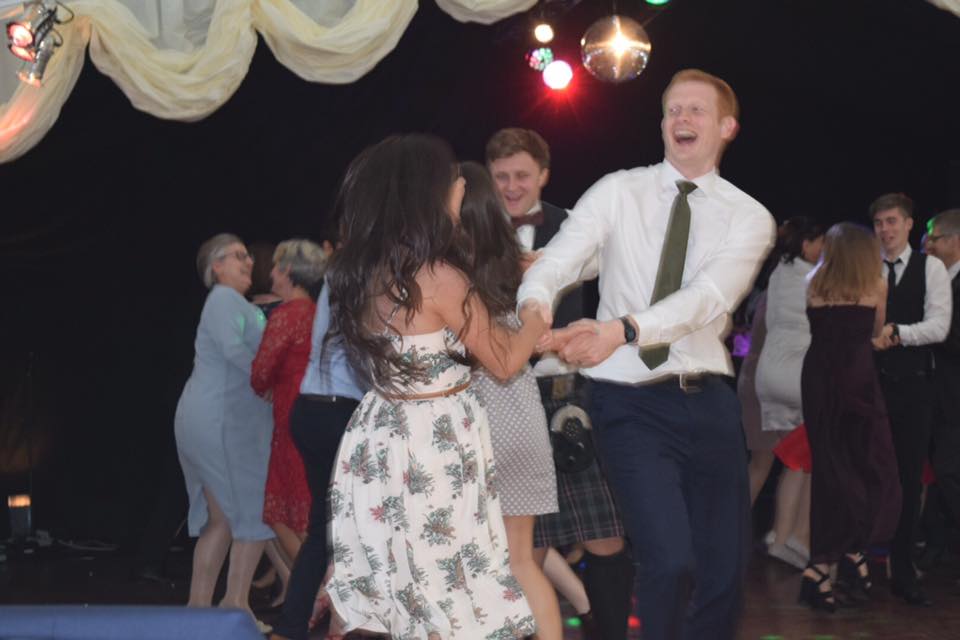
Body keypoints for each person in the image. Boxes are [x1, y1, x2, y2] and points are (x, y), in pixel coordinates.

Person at [520, 69, 776, 639]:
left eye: (696, 110)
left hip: (709, 402)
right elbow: (559, 259)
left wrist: (622, 329)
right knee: (670, 557)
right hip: (628, 403)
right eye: (672, 110)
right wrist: (534, 308)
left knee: (724, 571)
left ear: (727, 127)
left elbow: (709, 298)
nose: (681, 119)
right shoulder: (619, 191)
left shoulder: (748, 216)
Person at [324, 134, 547, 639]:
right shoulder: (439, 276)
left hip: (380, 435)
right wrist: (535, 311)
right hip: (433, 441)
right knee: (446, 578)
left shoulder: (367, 272)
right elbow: (506, 361)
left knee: (393, 572)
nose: (462, 187)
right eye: (454, 181)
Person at [487, 127, 629, 639]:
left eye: (521, 175)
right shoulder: (474, 232)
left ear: (543, 175)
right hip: (506, 397)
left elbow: (612, 274)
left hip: (570, 394)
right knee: (525, 544)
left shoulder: (574, 227)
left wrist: (550, 267)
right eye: (501, 176)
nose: (511, 186)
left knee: (605, 536)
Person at [458, 160, 563, 639]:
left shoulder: (444, 270)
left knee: (465, 562)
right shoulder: (521, 263)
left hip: (467, 421)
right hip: (520, 412)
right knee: (521, 560)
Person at [799, 222, 902, 611]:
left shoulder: (813, 282)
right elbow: (874, 333)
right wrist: (882, 339)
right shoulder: (876, 284)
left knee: (832, 472)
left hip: (819, 379)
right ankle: (846, 554)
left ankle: (830, 563)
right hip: (856, 378)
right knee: (874, 470)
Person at [174, 233, 274, 632]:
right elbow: (236, 353)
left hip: (213, 417)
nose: (248, 261)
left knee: (222, 520)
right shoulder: (224, 300)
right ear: (215, 267)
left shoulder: (234, 304)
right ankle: (235, 603)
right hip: (219, 422)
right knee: (252, 510)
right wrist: (269, 381)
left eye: (248, 255)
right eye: (237, 256)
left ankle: (199, 610)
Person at [270, 235, 368, 640]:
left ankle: (294, 626)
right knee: (350, 526)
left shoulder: (336, 276)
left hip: (310, 408)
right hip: (336, 412)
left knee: (325, 528)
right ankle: (340, 624)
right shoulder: (361, 278)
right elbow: (365, 355)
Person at [870, 193, 952, 606]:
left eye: (892, 221)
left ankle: (901, 568)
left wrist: (899, 333)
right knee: (866, 474)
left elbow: (939, 326)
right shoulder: (867, 265)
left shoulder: (930, 267)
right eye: (879, 223)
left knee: (906, 479)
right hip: (868, 385)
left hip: (914, 388)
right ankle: (857, 565)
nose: (885, 229)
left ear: (908, 224)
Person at [251, 239, 328, 607]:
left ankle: (323, 591)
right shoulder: (316, 311)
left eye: (276, 266)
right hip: (312, 414)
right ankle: (319, 593)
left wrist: (264, 385)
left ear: (288, 271)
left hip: (290, 418)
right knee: (302, 511)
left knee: (280, 513)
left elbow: (260, 372)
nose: (270, 272)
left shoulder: (287, 314)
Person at [755, 216, 824, 569]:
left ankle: (785, 534)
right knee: (806, 459)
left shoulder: (778, 274)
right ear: (807, 244)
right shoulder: (812, 277)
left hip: (771, 372)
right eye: (820, 243)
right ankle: (790, 537)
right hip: (796, 373)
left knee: (797, 458)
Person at [918, 209, 960, 572]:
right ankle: (937, 542)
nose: (928, 245)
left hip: (954, 395)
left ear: (955, 241)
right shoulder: (938, 279)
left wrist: (926, 331)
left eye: (934, 238)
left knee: (947, 470)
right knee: (935, 470)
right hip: (935, 394)